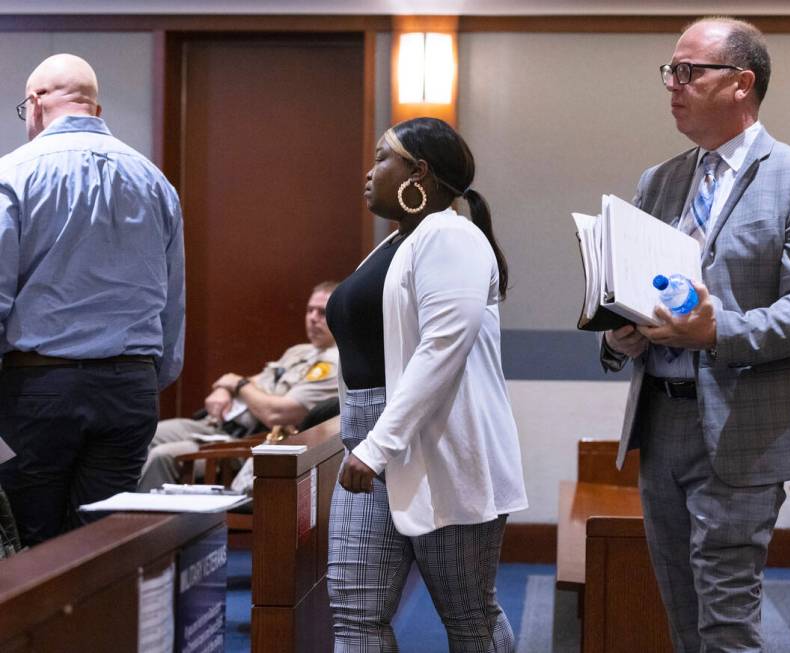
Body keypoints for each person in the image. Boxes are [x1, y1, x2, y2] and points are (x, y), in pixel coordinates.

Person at [600, 17, 790, 652]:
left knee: (726, 618)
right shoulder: (659, 181)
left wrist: (719, 332)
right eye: (670, 72)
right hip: (662, 420)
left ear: (742, 83)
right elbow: (635, 291)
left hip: (745, 426)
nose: (673, 86)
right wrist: (620, 337)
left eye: (689, 72)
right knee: (682, 612)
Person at [325, 117, 528, 651]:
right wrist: (364, 444)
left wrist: (376, 447)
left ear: (418, 171)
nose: (368, 173)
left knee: (467, 618)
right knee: (354, 614)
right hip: (368, 448)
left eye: (380, 159)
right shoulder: (398, 242)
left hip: (437, 448)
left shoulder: (451, 235)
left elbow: (442, 350)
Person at [0, 54, 185, 546]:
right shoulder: (155, 182)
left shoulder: (13, 175)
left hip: (36, 388)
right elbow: (172, 301)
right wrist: (148, 377)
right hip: (130, 390)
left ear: (35, 103)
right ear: (96, 111)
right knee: (101, 547)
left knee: (28, 544)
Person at [138, 282, 339, 491]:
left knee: (162, 456)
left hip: (246, 442)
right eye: (310, 310)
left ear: (340, 316)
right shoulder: (299, 351)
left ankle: (141, 520)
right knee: (148, 434)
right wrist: (226, 387)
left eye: (322, 312)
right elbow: (251, 382)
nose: (313, 318)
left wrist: (236, 382)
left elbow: (276, 413)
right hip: (216, 425)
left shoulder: (334, 363)